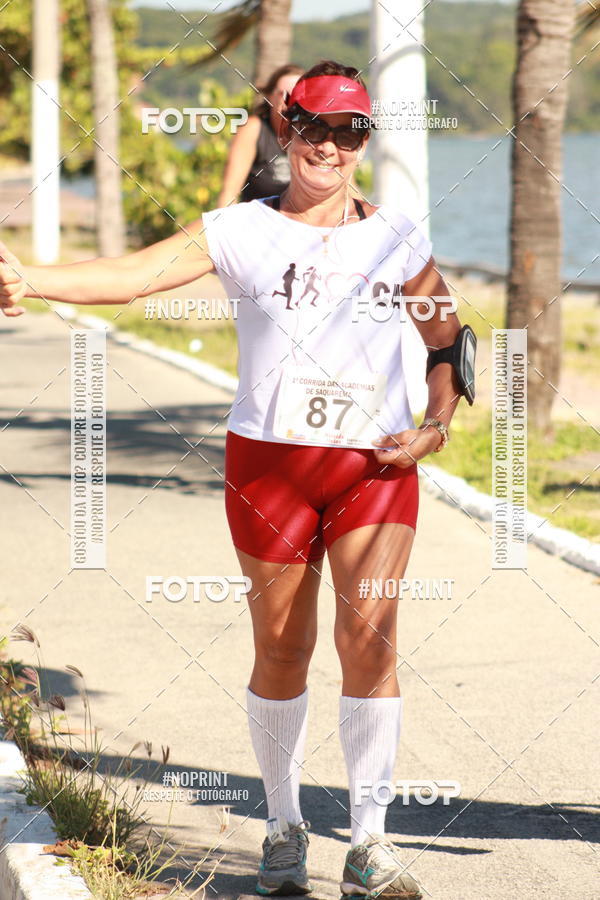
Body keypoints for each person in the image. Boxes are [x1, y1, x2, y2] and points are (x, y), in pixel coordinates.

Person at [0, 59, 473, 900]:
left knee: (370, 636)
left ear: (366, 140)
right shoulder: (240, 229)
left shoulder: (399, 238)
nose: (330, 144)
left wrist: (435, 425)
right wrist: (32, 279)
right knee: (282, 649)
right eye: (315, 126)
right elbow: (136, 276)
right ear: (286, 131)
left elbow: (447, 343)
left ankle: (369, 842)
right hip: (271, 464)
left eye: (350, 129)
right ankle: (285, 827)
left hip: (375, 465)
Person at [217, 64, 303, 206]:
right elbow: (230, 191)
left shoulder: (315, 134)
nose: (288, 100)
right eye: (282, 93)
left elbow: (346, 188)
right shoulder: (254, 129)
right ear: (269, 96)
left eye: (295, 94)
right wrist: (222, 225)